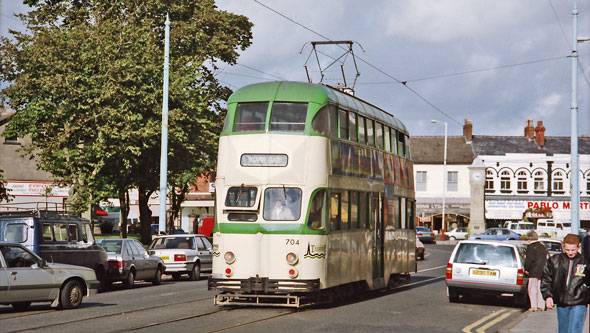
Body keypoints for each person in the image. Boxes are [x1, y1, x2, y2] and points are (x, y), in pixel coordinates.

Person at [541, 234, 590, 333]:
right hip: (561, 302)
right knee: (563, 330)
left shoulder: (585, 262)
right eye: (567, 250)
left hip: (579, 302)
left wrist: (585, 291)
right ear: (563, 246)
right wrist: (548, 296)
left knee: (574, 330)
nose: (570, 253)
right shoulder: (554, 260)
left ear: (578, 247)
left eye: (573, 250)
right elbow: (546, 280)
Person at [524, 230, 548, 312]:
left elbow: (529, 260)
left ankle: (533, 306)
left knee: (532, 288)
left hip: (534, 270)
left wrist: (527, 269)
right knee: (540, 288)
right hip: (543, 270)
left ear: (529, 238)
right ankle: (541, 306)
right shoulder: (543, 247)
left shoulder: (531, 247)